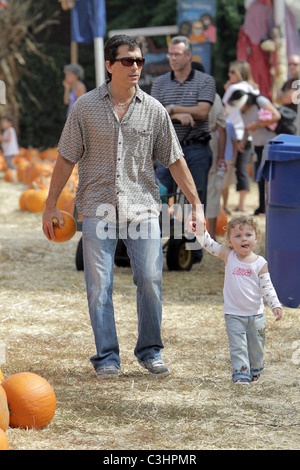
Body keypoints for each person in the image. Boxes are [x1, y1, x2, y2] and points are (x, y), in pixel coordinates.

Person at [42, 35, 205, 380]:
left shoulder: (154, 109)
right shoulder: (84, 108)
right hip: (97, 208)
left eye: (139, 61)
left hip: (143, 208)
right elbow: (66, 158)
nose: (135, 67)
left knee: (150, 279)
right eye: (128, 61)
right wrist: (49, 206)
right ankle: (107, 357)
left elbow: (175, 161)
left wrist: (197, 204)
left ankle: (150, 351)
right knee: (99, 286)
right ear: (109, 65)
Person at [151, 35, 216, 261]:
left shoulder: (205, 81)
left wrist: (171, 109)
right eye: (170, 54)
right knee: (159, 196)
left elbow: (203, 112)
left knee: (194, 199)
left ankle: (194, 250)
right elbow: (154, 113)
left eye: (177, 54)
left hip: (196, 147)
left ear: (189, 55)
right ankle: (153, 245)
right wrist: (177, 114)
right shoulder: (160, 83)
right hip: (166, 150)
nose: (173, 58)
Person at [196, 215, 282, 384]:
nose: (244, 239)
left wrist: (275, 305)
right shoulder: (229, 256)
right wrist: (200, 230)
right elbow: (208, 244)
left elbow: (267, 287)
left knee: (256, 347)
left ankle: (256, 369)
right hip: (233, 315)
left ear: (256, 238)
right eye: (238, 236)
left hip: (256, 316)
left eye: (248, 235)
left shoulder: (260, 263)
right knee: (238, 347)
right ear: (229, 241)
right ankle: (241, 374)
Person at [227, 89, 280, 216]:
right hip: (257, 145)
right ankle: (262, 207)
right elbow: (247, 128)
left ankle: (272, 207)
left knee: (272, 178)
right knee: (260, 178)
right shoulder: (242, 110)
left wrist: (257, 124)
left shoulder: (259, 101)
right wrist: (243, 142)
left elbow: (276, 116)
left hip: (271, 144)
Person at [222, 60, 260, 212]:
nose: (229, 74)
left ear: (240, 73)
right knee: (243, 169)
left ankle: (226, 205)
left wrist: (227, 89)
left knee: (228, 169)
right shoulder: (254, 88)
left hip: (233, 133)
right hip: (249, 133)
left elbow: (225, 110)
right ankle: (242, 203)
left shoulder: (234, 88)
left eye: (232, 72)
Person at [206, 94, 227, 240]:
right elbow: (222, 128)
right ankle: (211, 237)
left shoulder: (179, 88)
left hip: (185, 142)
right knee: (212, 190)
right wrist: (221, 156)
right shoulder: (214, 95)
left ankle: (190, 237)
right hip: (210, 141)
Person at [222, 119, 238, 215]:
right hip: (213, 160)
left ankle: (224, 207)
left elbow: (234, 142)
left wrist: (234, 157)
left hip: (227, 159)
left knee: (224, 185)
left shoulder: (229, 125)